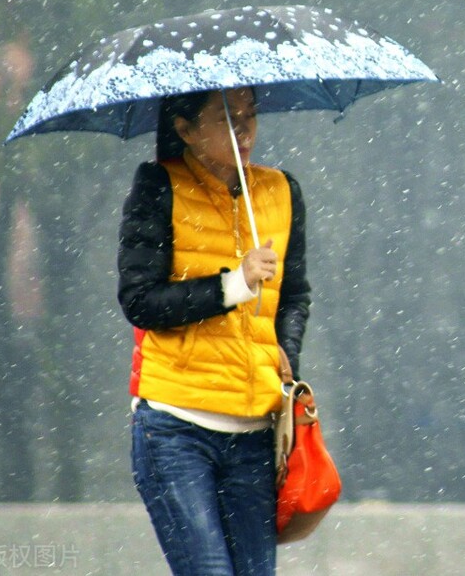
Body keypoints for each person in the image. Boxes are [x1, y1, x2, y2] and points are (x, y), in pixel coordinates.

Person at [118, 87, 311, 575]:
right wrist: (234, 284)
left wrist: (286, 352)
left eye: (250, 116)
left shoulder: (281, 191)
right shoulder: (159, 186)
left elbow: (295, 295)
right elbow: (140, 301)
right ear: (184, 130)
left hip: (254, 433)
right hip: (176, 426)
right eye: (226, 120)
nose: (244, 130)